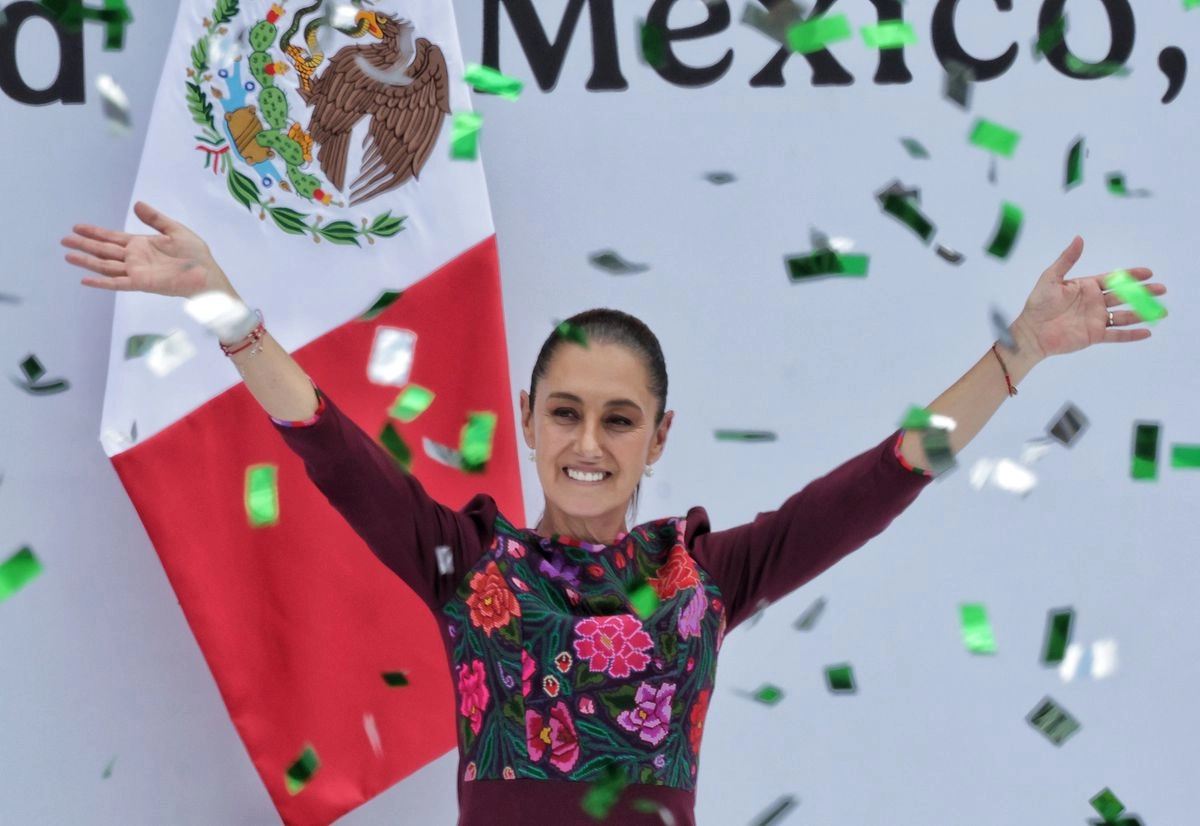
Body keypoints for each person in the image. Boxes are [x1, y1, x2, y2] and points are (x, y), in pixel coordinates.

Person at [63, 203, 1165, 825]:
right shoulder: (466, 565)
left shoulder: (710, 576)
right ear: (532, 424)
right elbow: (327, 445)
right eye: (568, 414)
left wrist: (1019, 352)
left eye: (620, 418)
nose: (591, 443)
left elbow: (883, 478)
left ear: (658, 437)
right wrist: (215, 299)